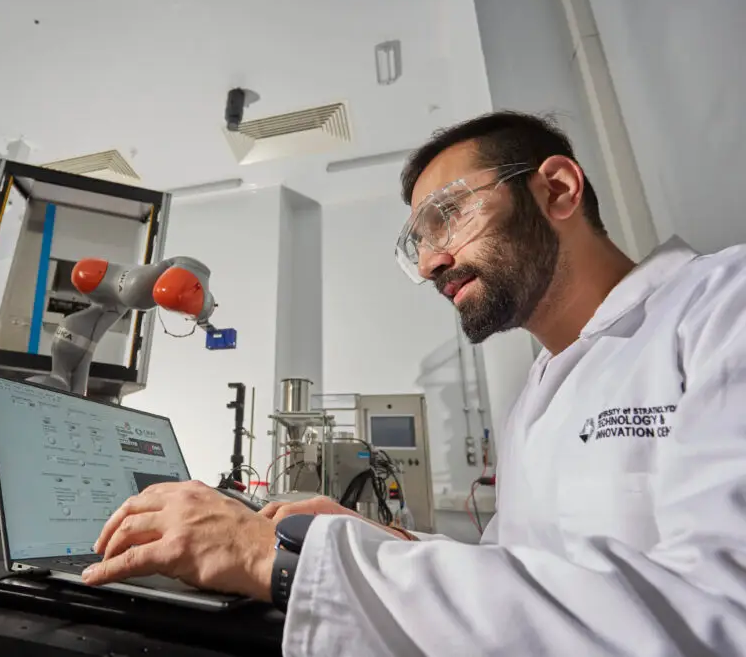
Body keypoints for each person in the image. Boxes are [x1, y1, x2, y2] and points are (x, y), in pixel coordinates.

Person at [82, 111, 746, 656]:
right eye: (418, 243)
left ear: (558, 190)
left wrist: (271, 559)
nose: (430, 263)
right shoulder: (541, 392)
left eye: (448, 215)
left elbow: (719, 617)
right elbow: (519, 571)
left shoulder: (722, 307)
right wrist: (388, 543)